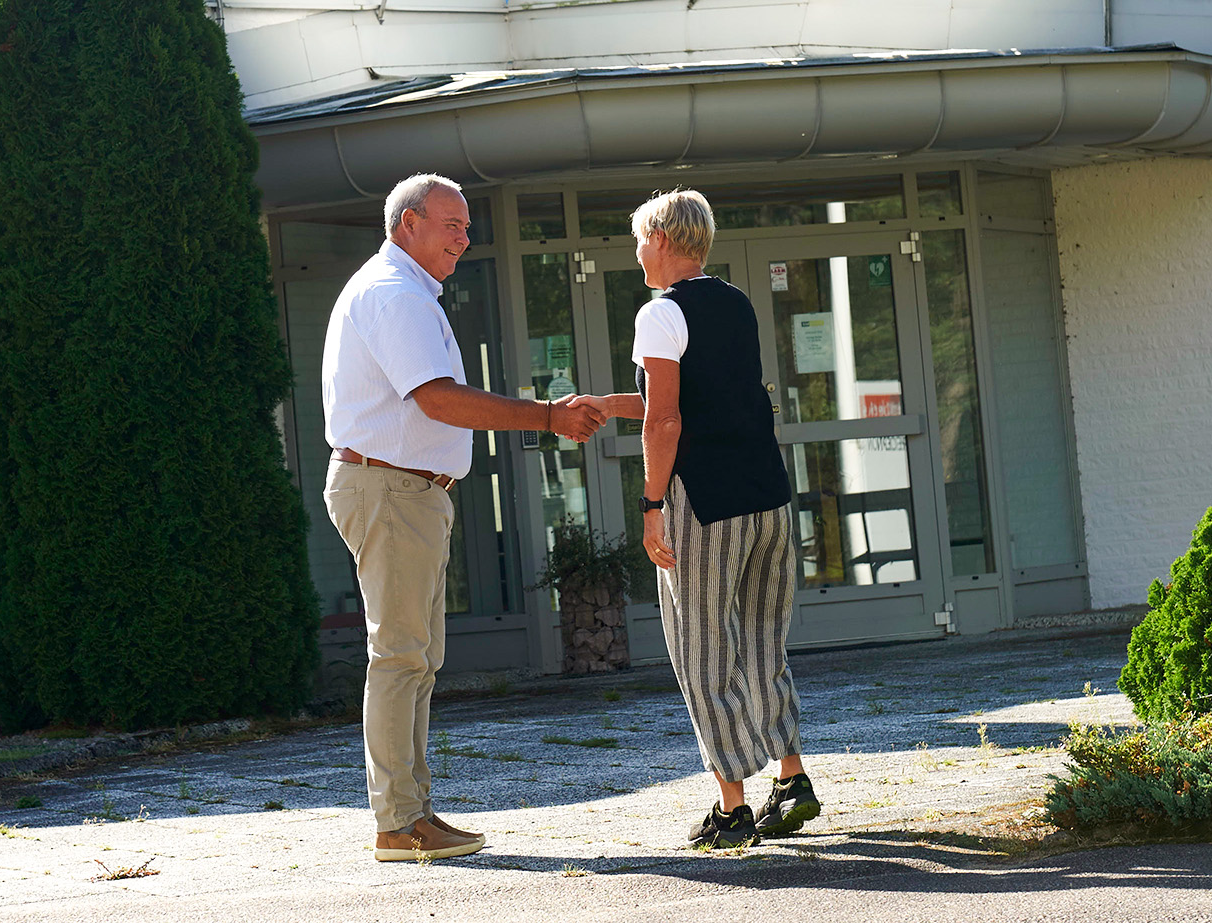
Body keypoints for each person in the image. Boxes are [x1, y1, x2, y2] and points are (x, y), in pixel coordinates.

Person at [321, 173, 605, 861]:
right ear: (407, 224)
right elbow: (438, 400)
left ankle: (412, 811)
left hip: (404, 490)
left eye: (467, 224)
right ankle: (397, 822)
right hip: (390, 489)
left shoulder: (407, 292)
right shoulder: (394, 294)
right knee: (400, 656)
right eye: (451, 223)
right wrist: (545, 416)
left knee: (416, 657)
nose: (465, 235)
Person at [570, 190, 820, 848]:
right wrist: (606, 402)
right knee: (765, 646)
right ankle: (791, 782)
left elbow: (668, 418)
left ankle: (732, 807)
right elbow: (701, 396)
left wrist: (652, 505)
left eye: (638, 242)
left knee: (702, 651)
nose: (636, 254)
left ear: (661, 239)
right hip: (767, 497)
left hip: (703, 505)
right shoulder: (735, 304)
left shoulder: (660, 313)